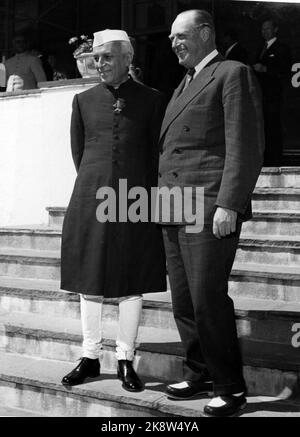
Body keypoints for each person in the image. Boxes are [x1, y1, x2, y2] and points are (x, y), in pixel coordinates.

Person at [158, 10, 264, 416]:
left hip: (207, 204)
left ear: (205, 33)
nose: (174, 43)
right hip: (173, 206)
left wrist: (229, 203)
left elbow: (245, 143)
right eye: (170, 38)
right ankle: (198, 369)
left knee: (206, 297)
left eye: (181, 35)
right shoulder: (183, 83)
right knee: (183, 299)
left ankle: (231, 386)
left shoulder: (231, 72)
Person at [60, 29, 167, 392]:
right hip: (91, 198)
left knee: (131, 280)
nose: (100, 64)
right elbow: (80, 153)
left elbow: (157, 153)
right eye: (96, 58)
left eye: (107, 57)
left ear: (127, 58)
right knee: (89, 277)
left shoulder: (153, 101)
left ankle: (125, 358)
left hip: (134, 200)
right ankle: (90, 356)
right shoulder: (83, 100)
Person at [253, 19, 291, 166]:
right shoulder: (261, 47)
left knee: (274, 126)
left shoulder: (282, 48)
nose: (264, 32)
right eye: (262, 29)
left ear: (275, 29)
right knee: (264, 127)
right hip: (261, 96)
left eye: (267, 29)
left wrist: (265, 69)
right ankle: (266, 157)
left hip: (274, 96)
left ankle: (275, 159)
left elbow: (284, 71)